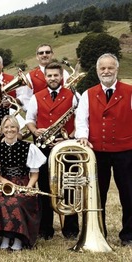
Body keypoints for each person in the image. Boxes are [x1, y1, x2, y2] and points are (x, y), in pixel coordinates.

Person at [76, 53, 132, 246]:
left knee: (129, 193)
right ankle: (99, 232)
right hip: (97, 151)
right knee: (97, 194)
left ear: (117, 70)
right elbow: (81, 120)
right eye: (103, 68)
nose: (106, 71)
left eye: (110, 68)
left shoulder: (130, 91)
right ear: (97, 71)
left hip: (126, 151)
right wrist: (82, 136)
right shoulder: (88, 94)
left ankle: (129, 235)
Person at [25, 61, 80, 239]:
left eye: (56, 75)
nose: (53, 78)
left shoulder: (73, 96)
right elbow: (29, 120)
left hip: (66, 148)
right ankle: (45, 229)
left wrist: (69, 137)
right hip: (43, 149)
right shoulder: (36, 97)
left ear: (61, 76)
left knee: (69, 187)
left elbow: (81, 121)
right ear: (45, 77)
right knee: (44, 188)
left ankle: (71, 229)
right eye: (50, 75)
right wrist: (35, 131)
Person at [0, 115, 46, 251]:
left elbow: (34, 174)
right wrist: (6, 182)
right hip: (5, 183)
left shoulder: (29, 147)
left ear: (18, 129)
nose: (9, 130)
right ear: (2, 130)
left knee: (17, 202)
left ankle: (19, 237)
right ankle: (6, 236)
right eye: (6, 127)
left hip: (24, 183)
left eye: (12, 127)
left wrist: (28, 187)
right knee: (0, 201)